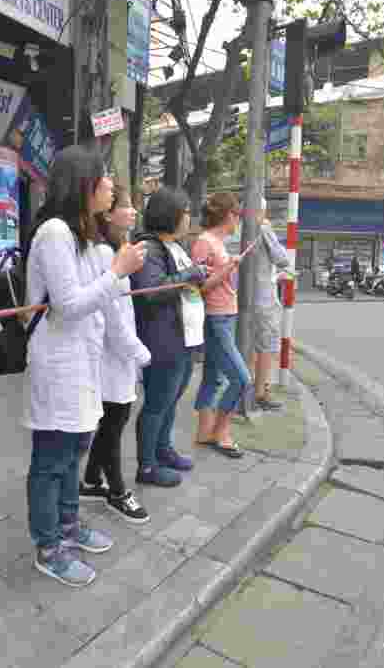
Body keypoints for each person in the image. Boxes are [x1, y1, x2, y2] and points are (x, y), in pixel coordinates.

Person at [23, 146, 149, 588]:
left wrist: (133, 350)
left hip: (83, 362)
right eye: (105, 178)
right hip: (57, 363)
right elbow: (70, 305)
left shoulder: (85, 238)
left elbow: (107, 307)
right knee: (52, 458)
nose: (112, 186)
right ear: (84, 184)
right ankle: (48, 545)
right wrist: (117, 270)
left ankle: (68, 525)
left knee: (76, 449)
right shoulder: (54, 232)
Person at [130, 187, 213, 486]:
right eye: (185, 211)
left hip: (182, 336)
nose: (189, 217)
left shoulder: (175, 246)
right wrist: (190, 276)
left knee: (171, 399)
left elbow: (182, 284)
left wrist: (200, 274)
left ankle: (163, 450)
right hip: (162, 338)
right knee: (157, 403)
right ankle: (147, 466)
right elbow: (151, 291)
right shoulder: (149, 248)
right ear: (170, 214)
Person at [79, 185, 152, 522]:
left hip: (118, 354)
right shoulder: (105, 255)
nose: (134, 211)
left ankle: (92, 480)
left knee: (112, 420)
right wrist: (139, 353)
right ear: (107, 212)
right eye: (125, 205)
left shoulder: (118, 249)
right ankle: (117, 492)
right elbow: (113, 316)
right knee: (113, 424)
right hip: (112, 354)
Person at [192, 193, 251, 458]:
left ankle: (204, 432)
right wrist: (228, 268)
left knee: (213, 377)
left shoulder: (217, 242)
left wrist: (227, 266)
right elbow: (199, 286)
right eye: (237, 214)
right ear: (229, 215)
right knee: (240, 378)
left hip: (226, 314)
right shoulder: (205, 242)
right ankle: (221, 431)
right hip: (216, 317)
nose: (238, 220)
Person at [249, 199, 292, 412]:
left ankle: (252, 388)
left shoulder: (238, 230)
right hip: (264, 298)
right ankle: (261, 392)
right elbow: (282, 258)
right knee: (267, 346)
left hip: (245, 297)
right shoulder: (263, 228)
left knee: (251, 345)